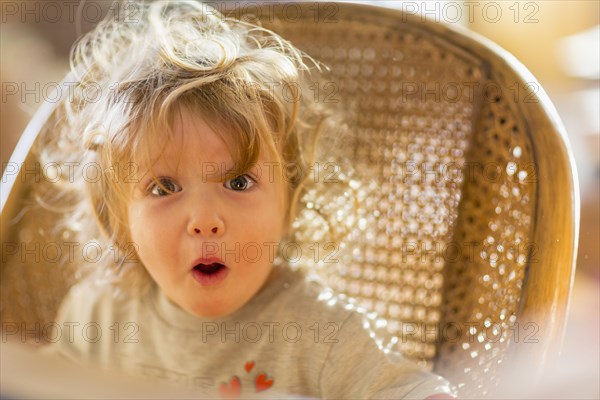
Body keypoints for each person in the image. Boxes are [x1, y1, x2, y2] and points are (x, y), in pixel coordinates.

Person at [41, 1, 456, 398]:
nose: (205, 220)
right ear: (119, 220)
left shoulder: (324, 335)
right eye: (163, 188)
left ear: (291, 204)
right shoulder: (98, 319)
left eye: (238, 182)